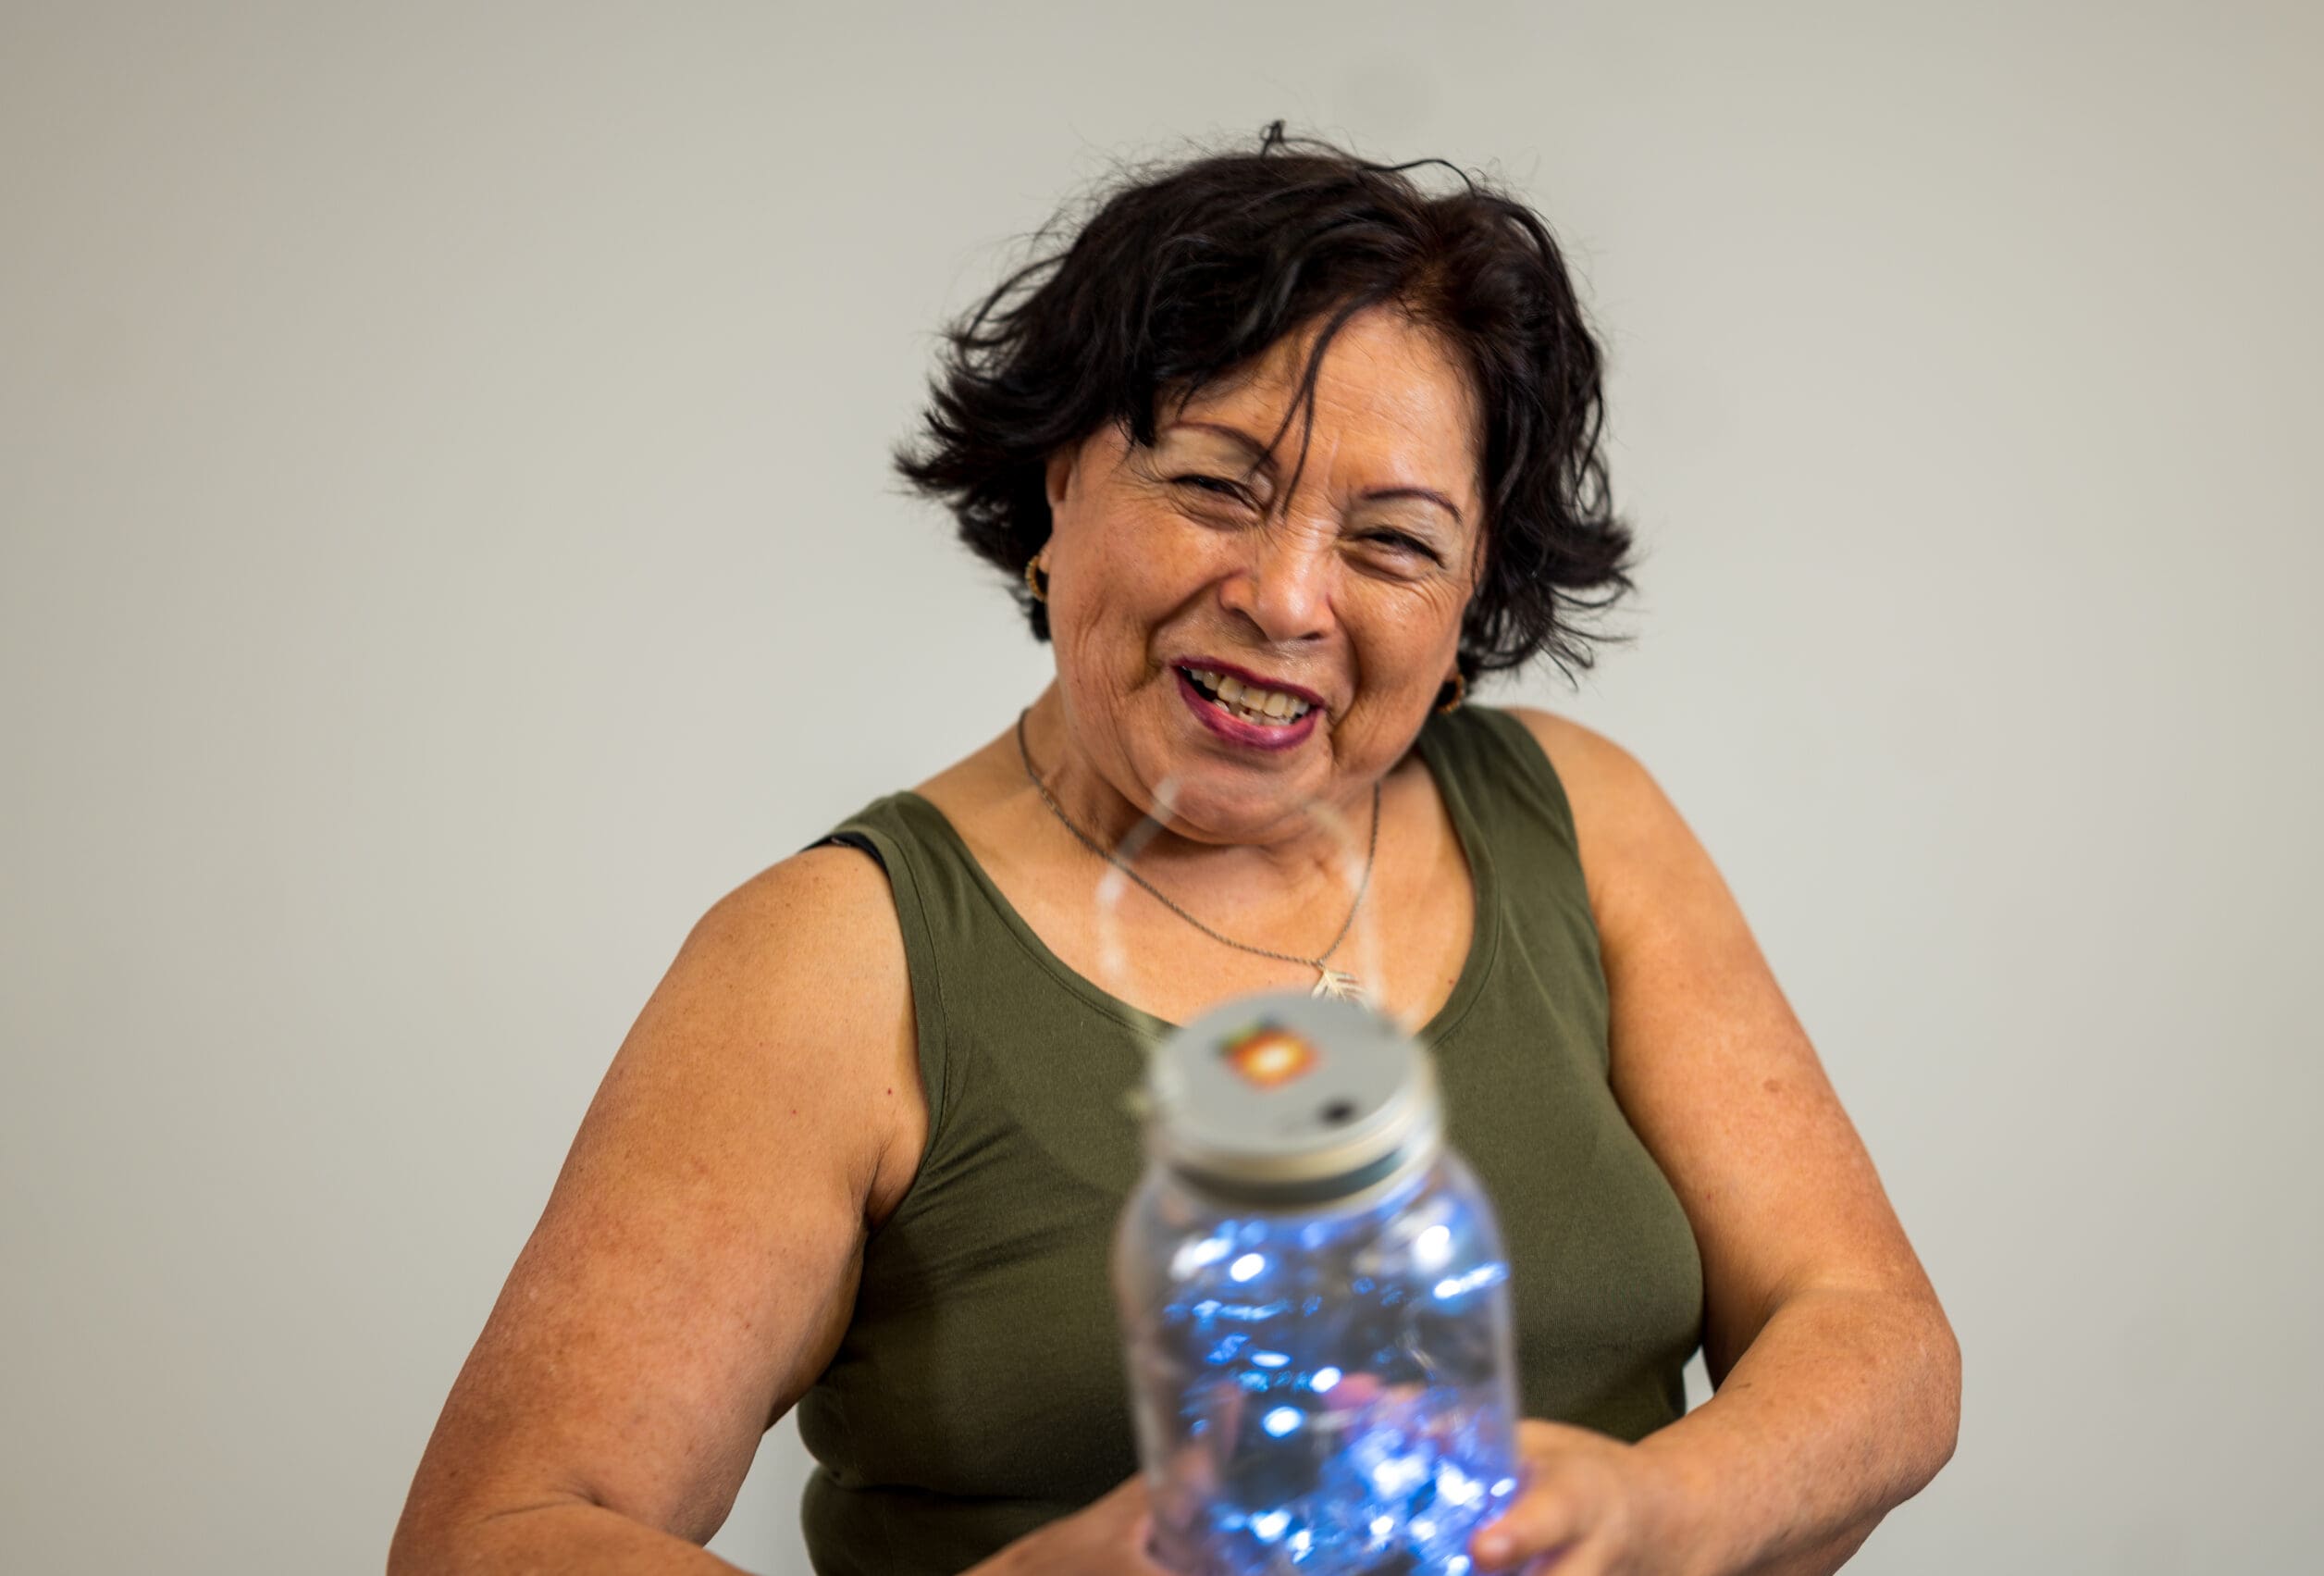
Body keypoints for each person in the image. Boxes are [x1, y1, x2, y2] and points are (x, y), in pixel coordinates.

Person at [389, 124, 1959, 1576]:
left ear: (1473, 599)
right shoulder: (832, 955)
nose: (1286, 599)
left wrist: (1654, 1512)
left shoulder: (1578, 814)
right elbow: (498, 1536)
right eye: (1218, 485)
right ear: (1060, 479)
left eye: (1394, 542)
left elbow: (1874, 1339)